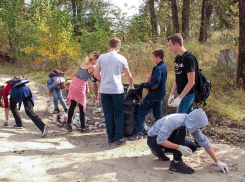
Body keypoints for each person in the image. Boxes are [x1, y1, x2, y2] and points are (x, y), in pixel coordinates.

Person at [147, 108, 229, 174]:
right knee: (181, 129)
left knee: (192, 147)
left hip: (165, 139)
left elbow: (205, 143)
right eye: (201, 126)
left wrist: (218, 162)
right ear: (196, 122)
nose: (201, 128)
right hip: (153, 140)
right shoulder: (176, 121)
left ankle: (162, 150)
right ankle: (176, 163)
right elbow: (160, 140)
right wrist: (179, 147)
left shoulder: (193, 125)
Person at [94, 37, 134, 145]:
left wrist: (105, 80)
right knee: (119, 113)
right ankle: (119, 137)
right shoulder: (121, 58)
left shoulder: (102, 57)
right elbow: (128, 75)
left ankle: (110, 137)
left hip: (104, 89)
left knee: (108, 113)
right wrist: (131, 85)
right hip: (116, 89)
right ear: (118, 46)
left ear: (109, 46)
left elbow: (96, 74)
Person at [129, 49, 167, 141]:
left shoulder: (158, 68)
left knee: (141, 110)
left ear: (158, 57)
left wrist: (144, 84)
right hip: (160, 96)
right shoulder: (163, 67)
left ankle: (139, 133)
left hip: (154, 96)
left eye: (153, 57)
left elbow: (155, 84)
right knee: (158, 115)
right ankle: (162, 133)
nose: (152, 59)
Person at [64, 51, 100, 133]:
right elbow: (97, 75)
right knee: (82, 107)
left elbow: (74, 74)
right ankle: (83, 128)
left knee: (72, 105)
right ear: (94, 59)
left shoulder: (83, 63)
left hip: (73, 84)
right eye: (98, 60)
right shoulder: (93, 67)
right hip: (80, 86)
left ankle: (68, 123)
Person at [167, 33, 196, 114]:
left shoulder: (189, 58)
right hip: (181, 93)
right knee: (188, 119)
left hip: (187, 95)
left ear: (176, 44)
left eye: (170, 45)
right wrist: (172, 94)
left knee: (178, 120)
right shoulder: (177, 58)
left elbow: (191, 82)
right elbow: (177, 77)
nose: (169, 48)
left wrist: (180, 98)